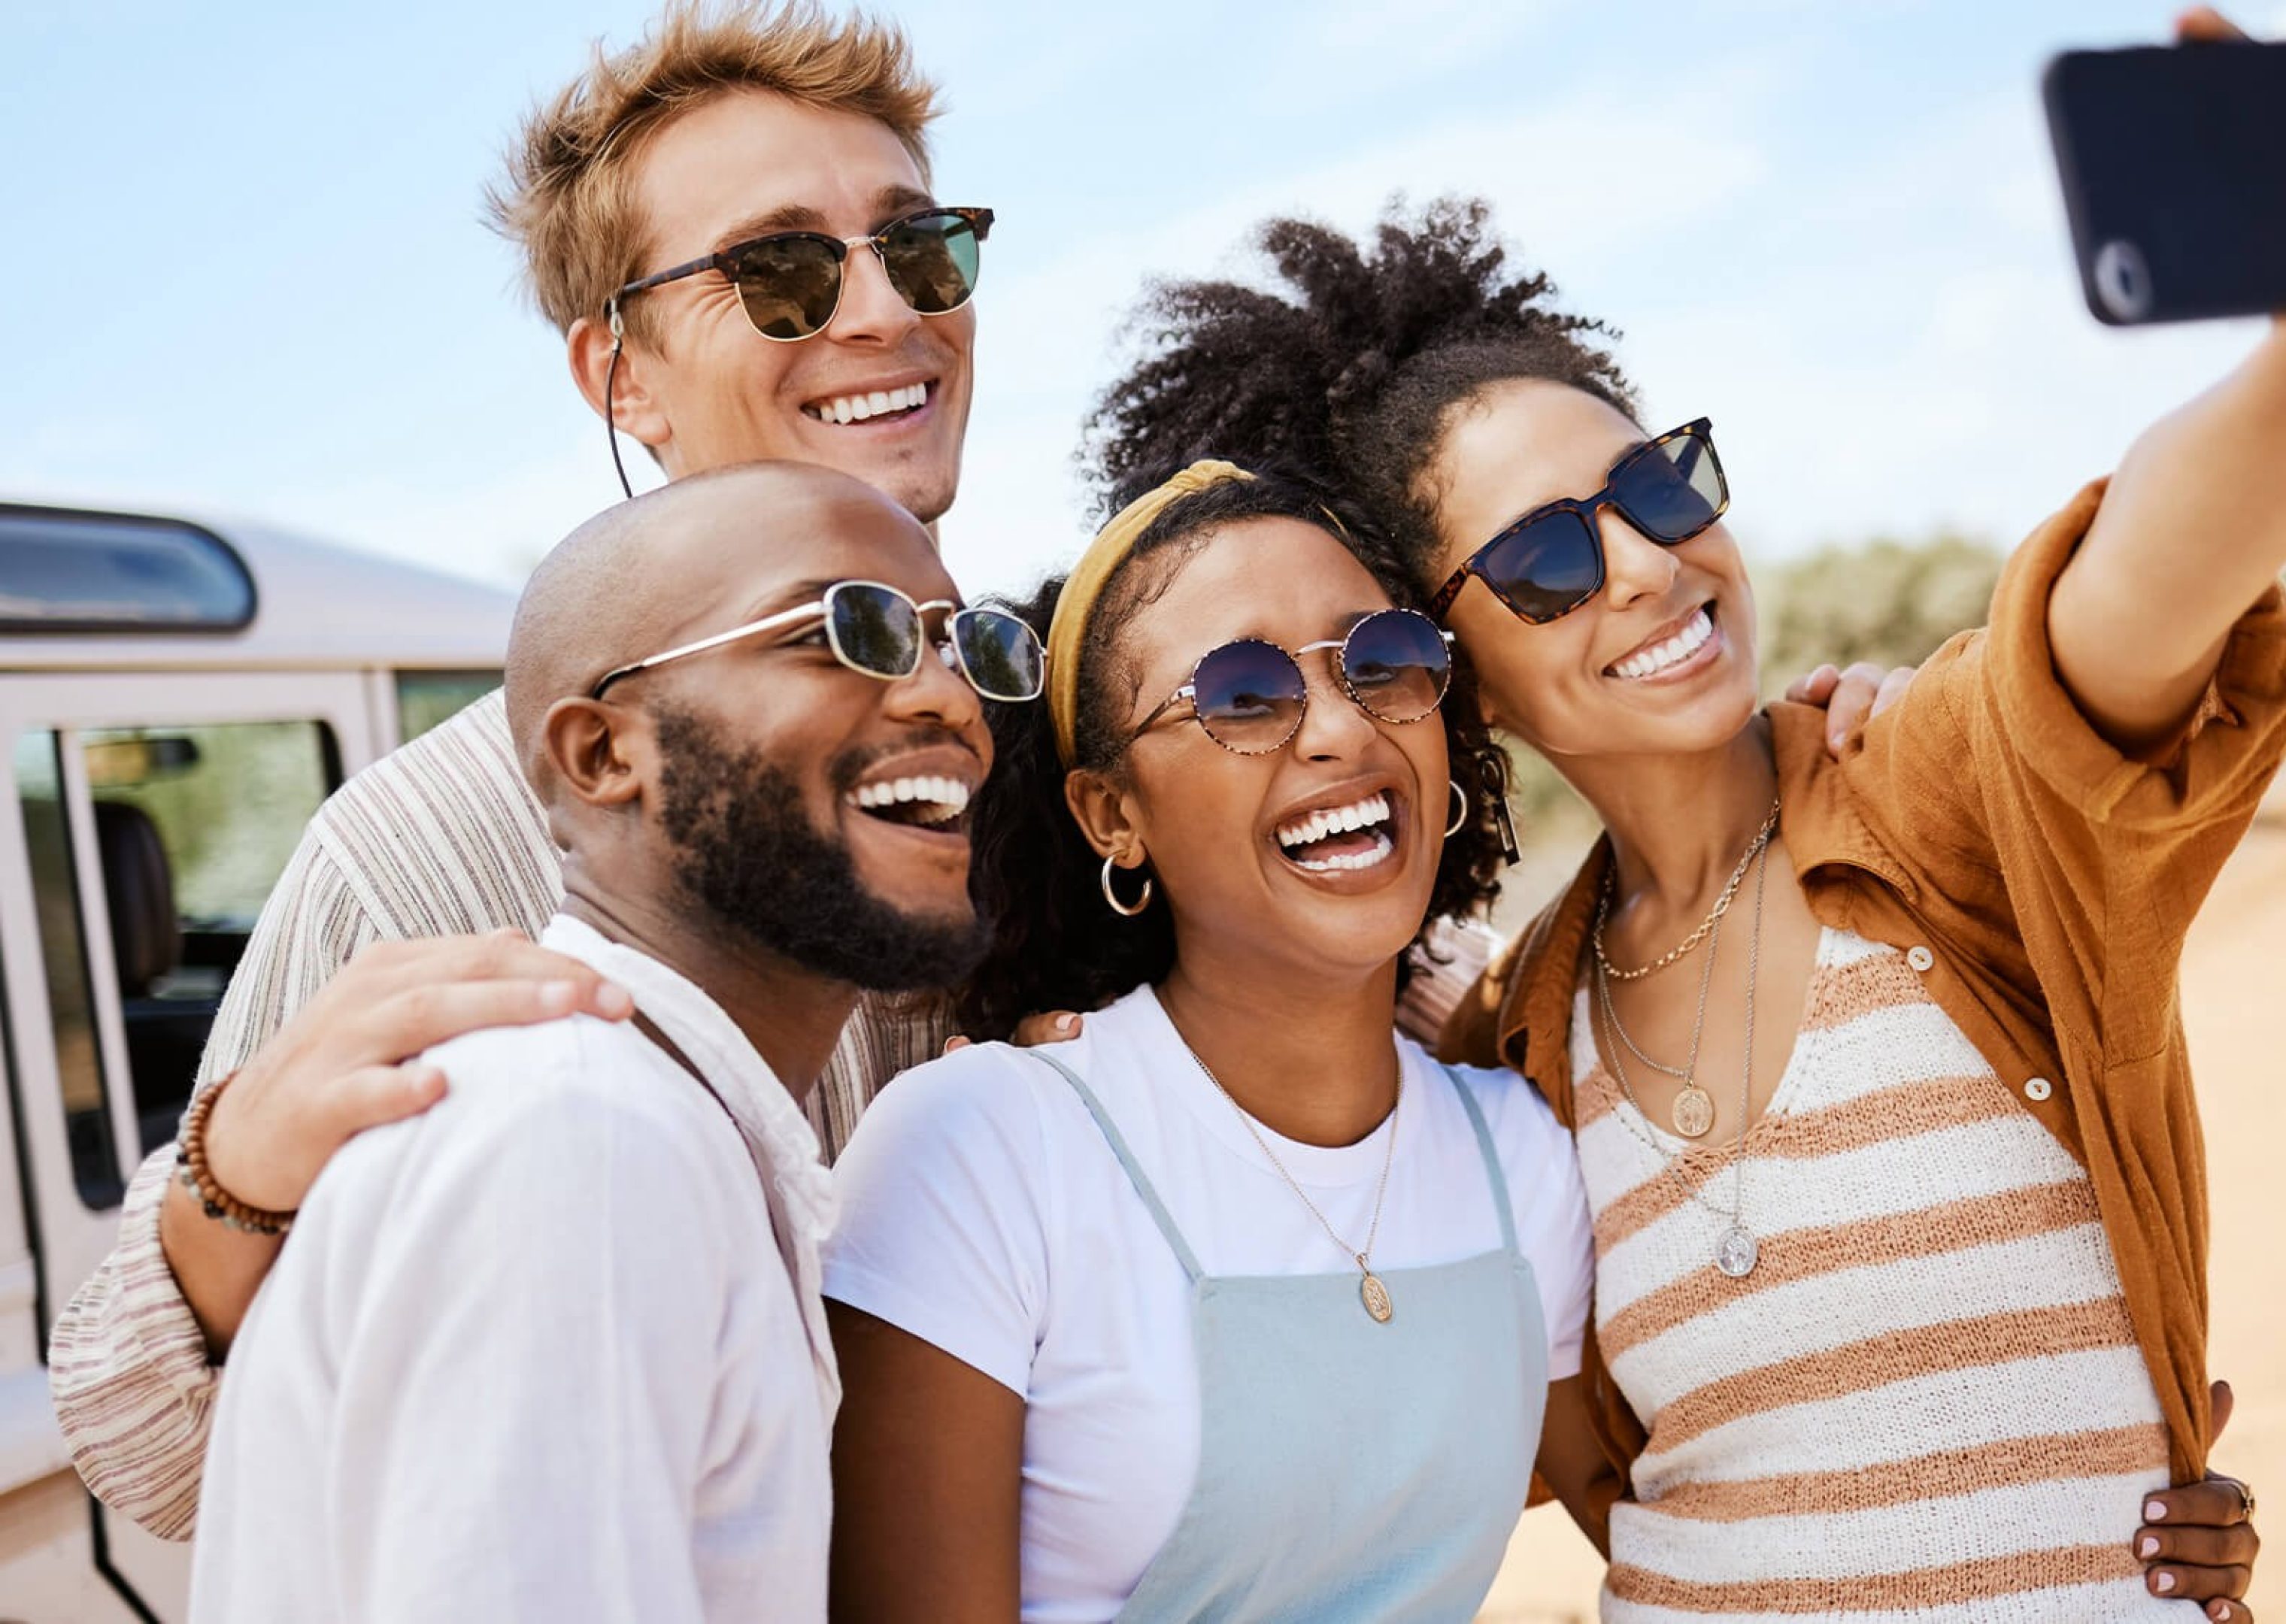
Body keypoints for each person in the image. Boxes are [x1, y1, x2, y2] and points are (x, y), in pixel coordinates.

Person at [47, 0, 1910, 1542]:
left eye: (918, 246)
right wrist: (222, 1190)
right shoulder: (436, 844)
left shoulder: (1033, 734)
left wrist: (1787, 768)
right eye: (781, 272)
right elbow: (167, 1461)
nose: (881, 308)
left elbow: (1374, 1041)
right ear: (615, 373)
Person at [1080, 8, 2286, 1617]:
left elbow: (2135, 590)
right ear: (1460, 681)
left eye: (1656, 490)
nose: (1649, 566)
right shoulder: (1512, 1051)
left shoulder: (1936, 803)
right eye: (1548, 562)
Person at [188, 462, 1004, 1620]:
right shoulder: (583, 1139)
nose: (950, 700)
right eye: (848, 631)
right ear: (602, 755)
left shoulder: (660, 1122)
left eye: (965, 645)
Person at [820, 463, 1601, 1622]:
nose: (1340, 728)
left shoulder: (1521, 1163)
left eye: (1382, 660)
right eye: (1241, 694)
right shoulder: (984, 1150)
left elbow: (1687, 1526)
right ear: (1112, 817)